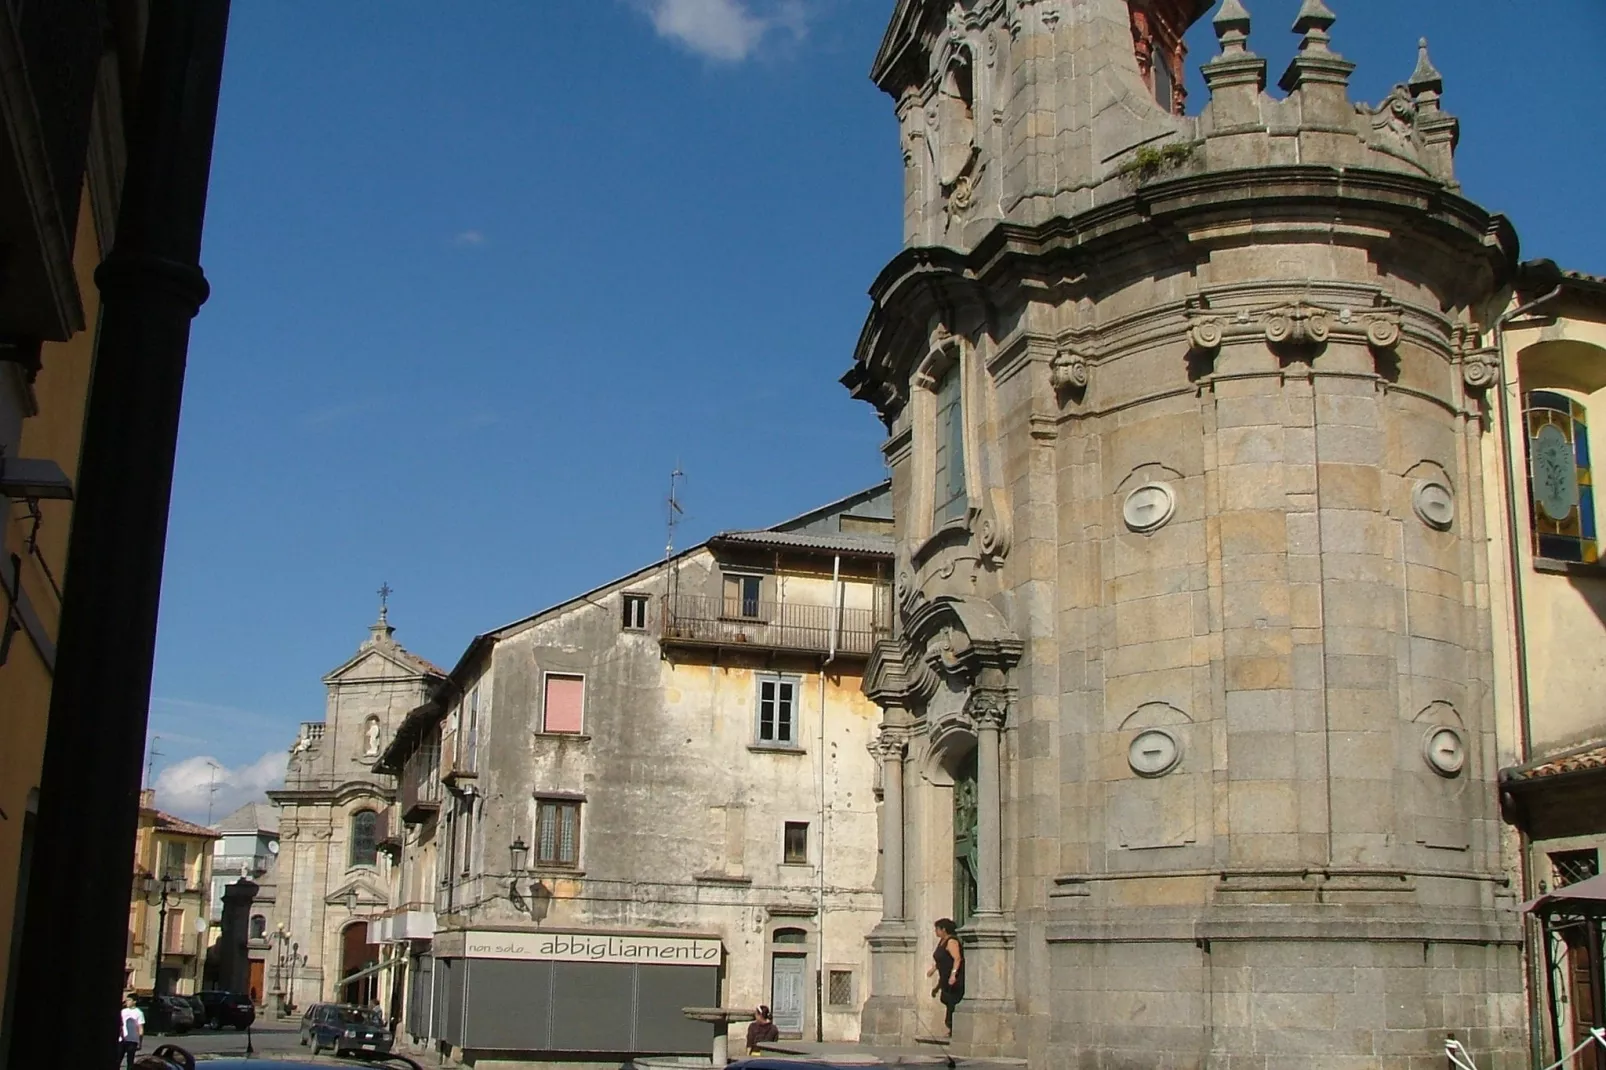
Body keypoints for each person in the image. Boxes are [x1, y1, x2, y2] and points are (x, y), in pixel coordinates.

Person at [927, 918, 964, 1036]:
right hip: (944, 977)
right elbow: (941, 958)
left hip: (953, 977)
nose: (935, 931)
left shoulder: (951, 941)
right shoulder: (942, 941)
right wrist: (933, 969)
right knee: (946, 999)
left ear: (944, 929)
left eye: (937, 929)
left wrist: (953, 974)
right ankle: (951, 1027)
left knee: (952, 1001)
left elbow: (957, 958)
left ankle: (953, 1029)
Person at [118, 994, 145, 1070]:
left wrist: (140, 1042)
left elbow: (140, 1028)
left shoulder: (139, 1013)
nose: (127, 1002)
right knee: (117, 1059)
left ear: (134, 1001)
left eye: (129, 1000)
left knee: (130, 1061)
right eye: (126, 1000)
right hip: (122, 1039)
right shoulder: (123, 1011)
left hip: (132, 1040)